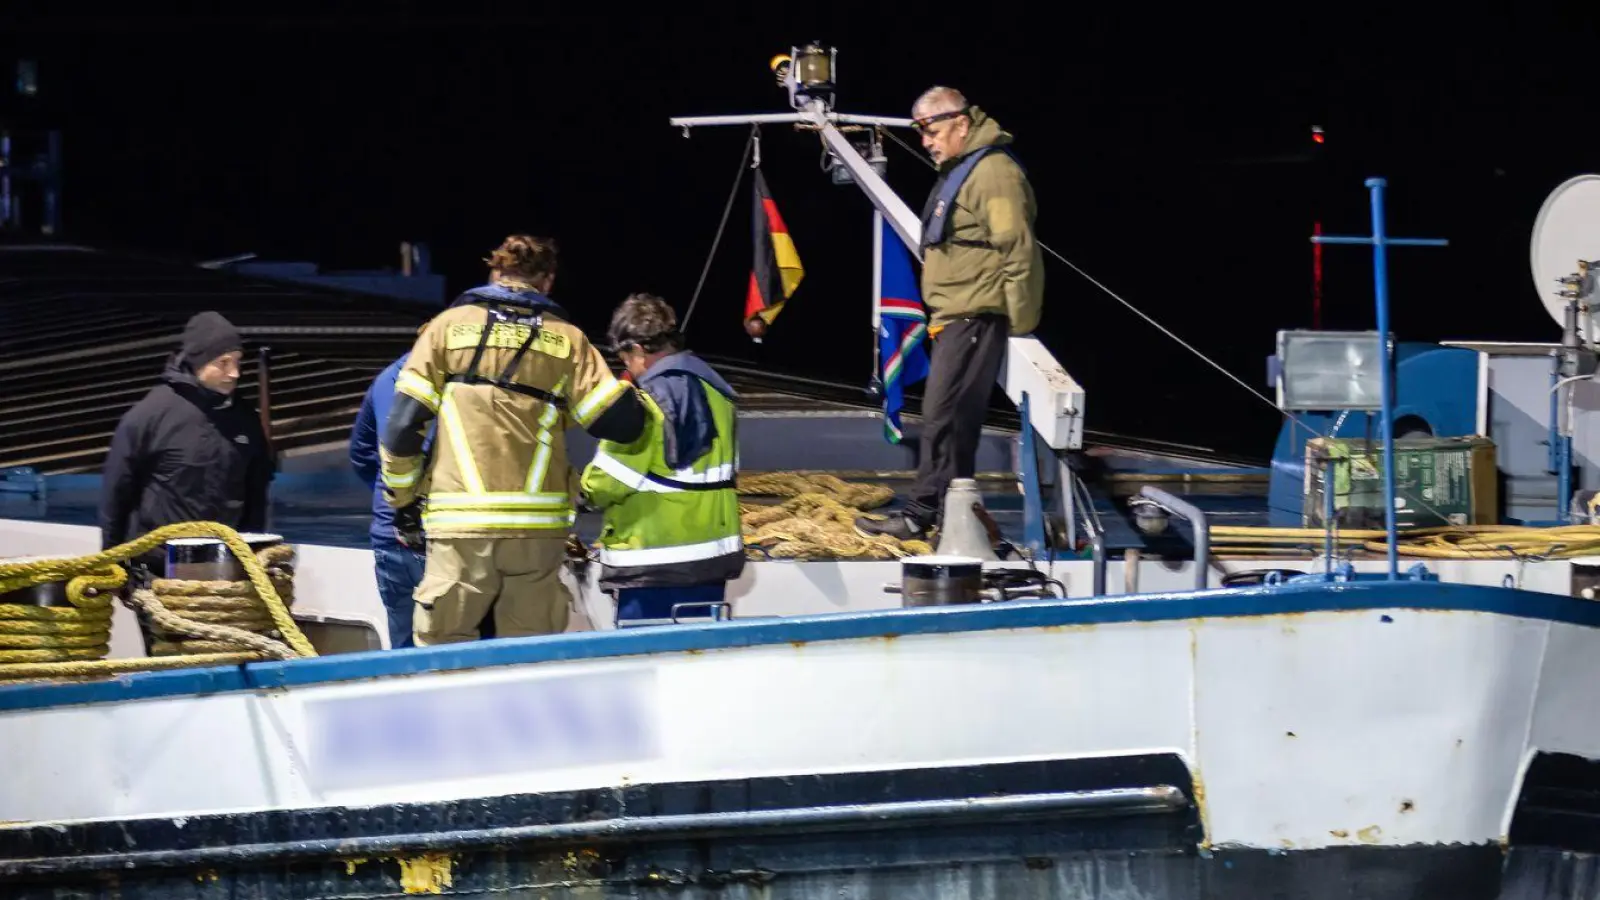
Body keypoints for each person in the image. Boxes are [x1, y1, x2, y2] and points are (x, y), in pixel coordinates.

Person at [379, 235, 647, 645]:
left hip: (459, 529)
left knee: (444, 657)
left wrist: (403, 502)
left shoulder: (445, 330)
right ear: (548, 280)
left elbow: (401, 429)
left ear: (494, 270)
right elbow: (622, 425)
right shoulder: (569, 340)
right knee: (528, 656)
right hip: (536, 535)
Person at [856, 86, 1044, 541]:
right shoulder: (963, 168)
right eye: (921, 133)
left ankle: (920, 512)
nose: (927, 141)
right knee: (950, 419)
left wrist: (1017, 323)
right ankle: (948, 510)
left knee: (943, 415)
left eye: (933, 130)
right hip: (955, 314)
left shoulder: (992, 173)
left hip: (976, 314)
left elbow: (1017, 250)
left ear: (961, 123)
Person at [579, 294, 744, 626]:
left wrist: (579, 491)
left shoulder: (644, 403)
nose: (627, 368)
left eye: (625, 357)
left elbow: (607, 482)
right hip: (712, 561)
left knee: (647, 667)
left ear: (638, 350)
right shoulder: (721, 395)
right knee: (696, 662)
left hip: (651, 565)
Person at [100, 311, 274, 567]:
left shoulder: (245, 419)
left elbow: (257, 494)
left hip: (224, 564)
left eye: (238, 362)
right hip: (158, 567)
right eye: (223, 363)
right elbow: (116, 493)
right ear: (198, 362)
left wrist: (257, 553)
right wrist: (110, 562)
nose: (234, 373)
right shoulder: (150, 415)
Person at [349, 348, 430, 648]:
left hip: (388, 538)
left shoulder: (386, 379)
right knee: (452, 652)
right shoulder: (447, 383)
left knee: (405, 652)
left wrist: (389, 496)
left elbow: (360, 454)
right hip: (435, 542)